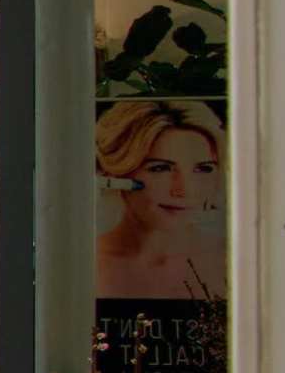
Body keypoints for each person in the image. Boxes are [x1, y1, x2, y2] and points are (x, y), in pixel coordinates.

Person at [96, 99, 226, 299]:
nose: (184, 191)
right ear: (115, 172)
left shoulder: (235, 259)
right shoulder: (79, 259)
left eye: (203, 169)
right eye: (160, 168)